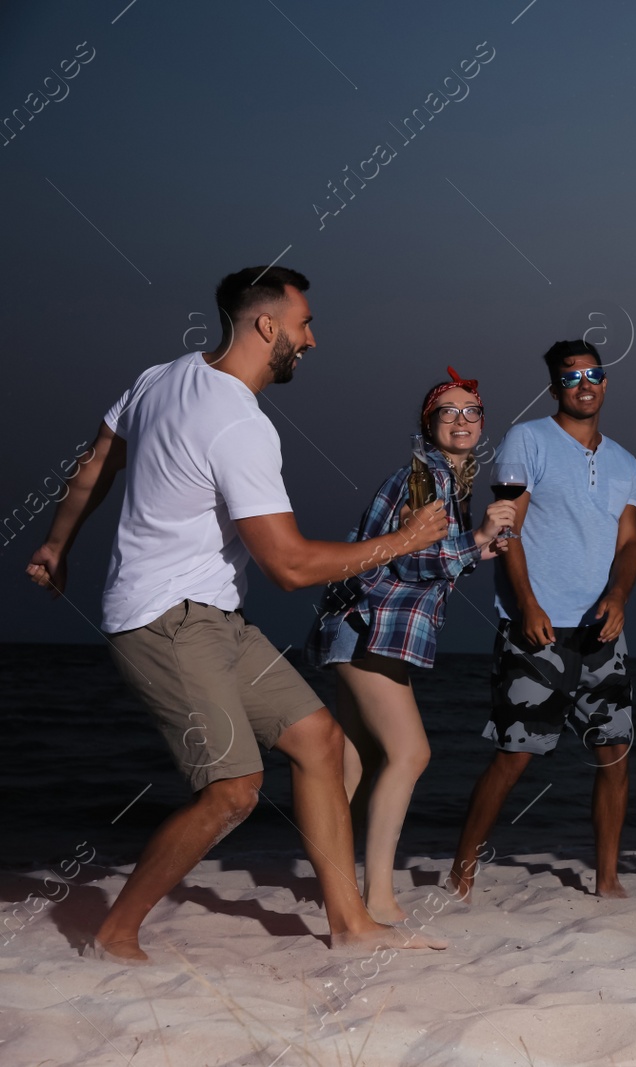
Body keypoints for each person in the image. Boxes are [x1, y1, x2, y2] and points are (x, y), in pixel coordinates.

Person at [25, 266, 451, 961]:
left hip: (217, 617)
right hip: (163, 618)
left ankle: (351, 922)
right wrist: (404, 542)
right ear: (267, 326)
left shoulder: (159, 376)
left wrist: (55, 541)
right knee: (233, 790)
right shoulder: (239, 426)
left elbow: (96, 461)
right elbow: (287, 567)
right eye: (304, 324)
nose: (311, 339)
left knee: (322, 744)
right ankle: (114, 929)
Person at [303, 369, 518, 923]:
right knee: (410, 753)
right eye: (448, 411)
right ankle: (375, 896)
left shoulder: (448, 484)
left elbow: (424, 562)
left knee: (358, 762)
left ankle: (338, 886)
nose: (461, 419)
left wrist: (476, 549)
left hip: (363, 630)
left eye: (471, 410)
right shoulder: (423, 481)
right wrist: (472, 540)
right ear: (429, 424)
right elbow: (403, 557)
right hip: (368, 626)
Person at [448, 340, 636, 902]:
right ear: (556, 386)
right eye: (571, 377)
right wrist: (528, 604)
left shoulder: (626, 462)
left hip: (603, 630)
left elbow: (630, 542)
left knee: (615, 754)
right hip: (538, 627)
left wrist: (620, 595)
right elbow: (507, 527)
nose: (585, 384)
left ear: (606, 381)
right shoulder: (527, 440)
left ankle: (607, 880)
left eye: (594, 374)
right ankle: (462, 869)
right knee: (514, 755)